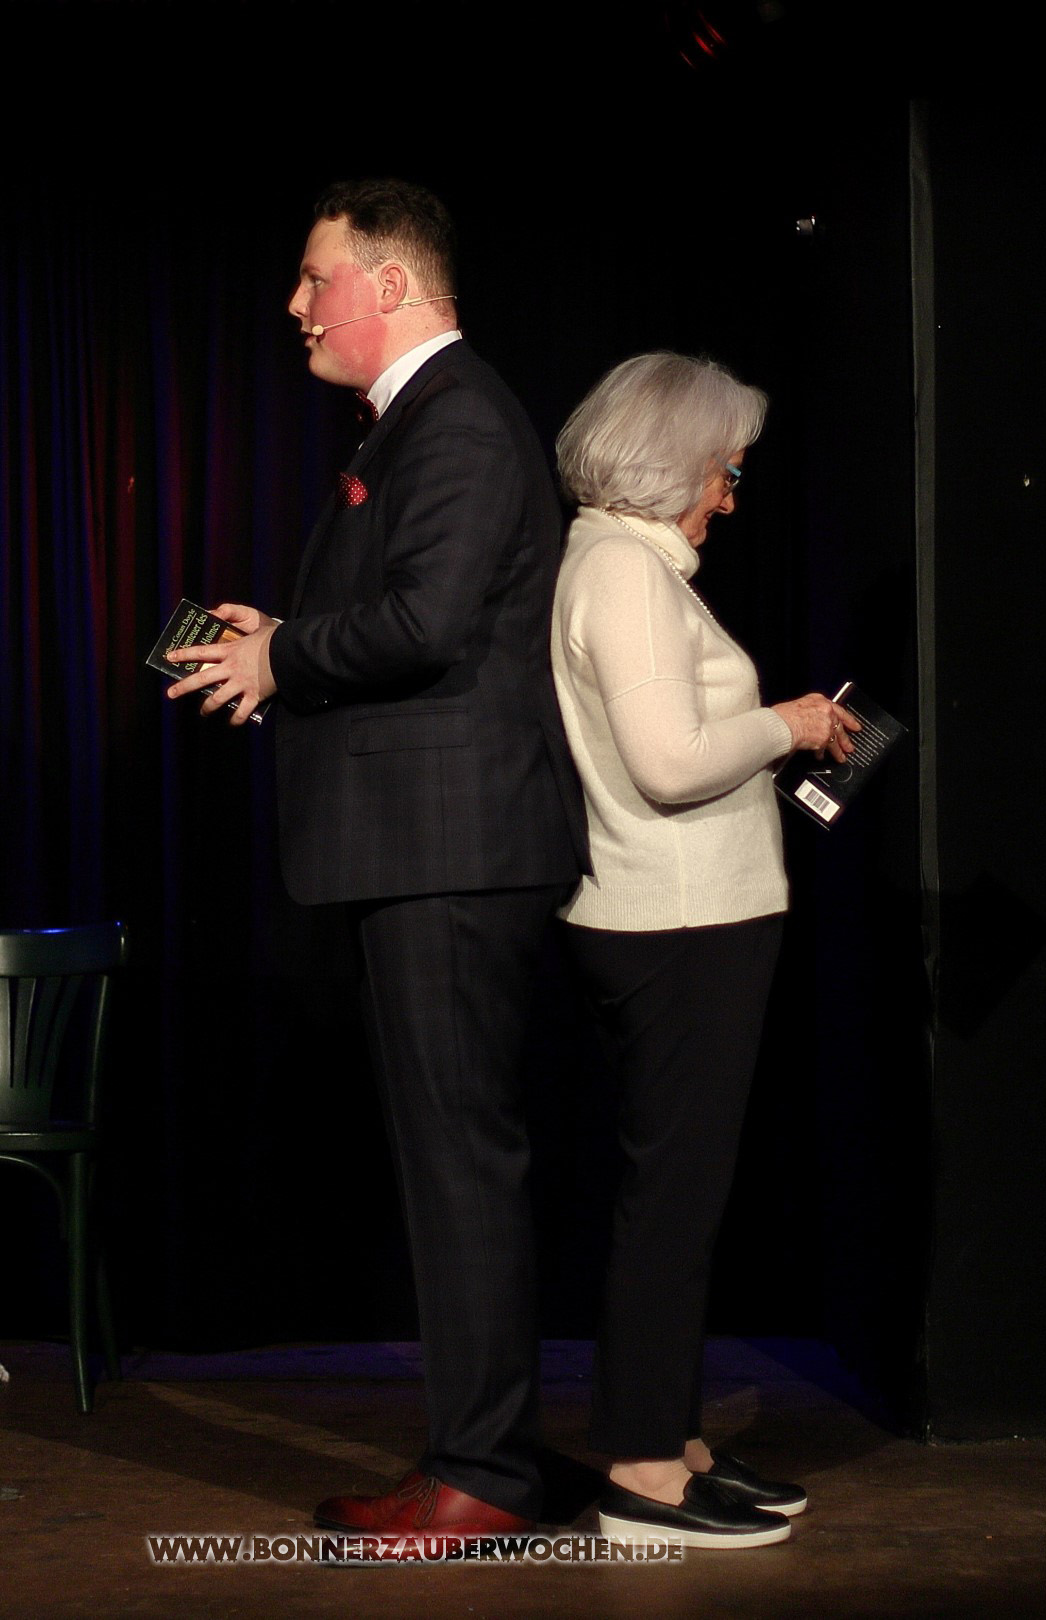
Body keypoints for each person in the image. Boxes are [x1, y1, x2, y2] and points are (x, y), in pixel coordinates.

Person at [165, 178, 588, 1536]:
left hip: (451, 848)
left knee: (461, 1164)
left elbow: (428, 624)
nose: (296, 305)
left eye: (315, 278)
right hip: (428, 844)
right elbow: (411, 616)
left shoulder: (454, 416)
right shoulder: (422, 420)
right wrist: (282, 641)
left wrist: (284, 655)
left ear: (390, 284)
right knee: (447, 1161)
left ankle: (486, 1476)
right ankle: (476, 1456)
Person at [550, 351, 859, 1549]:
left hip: (684, 920)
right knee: (671, 1207)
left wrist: (775, 731)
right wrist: (785, 724)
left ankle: (667, 1439)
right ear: (670, 463)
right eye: (725, 469)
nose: (730, 496)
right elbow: (669, 765)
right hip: (674, 925)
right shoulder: (623, 572)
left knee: (679, 1200)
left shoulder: (627, 564)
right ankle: (643, 1476)